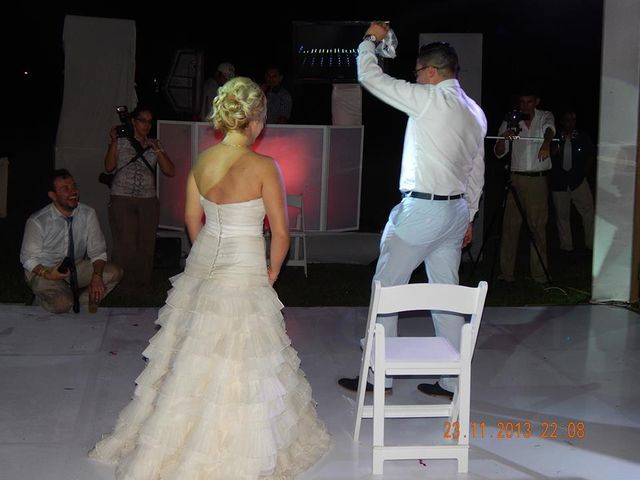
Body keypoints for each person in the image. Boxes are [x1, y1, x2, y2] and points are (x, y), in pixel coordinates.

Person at [90, 77, 330, 479]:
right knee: (240, 355)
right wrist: (269, 273)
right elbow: (281, 233)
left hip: (205, 260)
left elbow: (190, 219)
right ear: (255, 119)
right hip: (243, 265)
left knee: (193, 353)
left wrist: (207, 259)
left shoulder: (202, 161)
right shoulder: (264, 166)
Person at [338, 23, 487, 399]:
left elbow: (369, 77)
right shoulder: (475, 112)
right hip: (454, 212)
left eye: (418, 72)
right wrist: (468, 216)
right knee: (446, 296)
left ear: (432, 73)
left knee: (386, 288)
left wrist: (370, 40)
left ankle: (378, 376)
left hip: (422, 211)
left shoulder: (429, 99)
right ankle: (452, 380)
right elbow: (477, 171)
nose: (416, 78)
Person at [20, 169, 122, 313]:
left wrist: (97, 276)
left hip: (74, 266)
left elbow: (98, 252)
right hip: (43, 269)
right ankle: (43, 300)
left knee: (113, 272)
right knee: (61, 304)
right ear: (53, 195)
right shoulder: (38, 221)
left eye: (74, 186)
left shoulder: (88, 213)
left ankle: (82, 304)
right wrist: (49, 274)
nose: (73, 191)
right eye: (65, 189)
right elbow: (28, 258)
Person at [105, 105, 175, 292]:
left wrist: (157, 149)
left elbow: (170, 171)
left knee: (146, 242)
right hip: (122, 196)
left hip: (148, 199)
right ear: (133, 122)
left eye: (149, 121)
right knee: (125, 242)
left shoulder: (154, 144)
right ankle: (120, 284)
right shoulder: (121, 142)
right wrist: (113, 141)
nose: (146, 125)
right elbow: (109, 166)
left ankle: (142, 284)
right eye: (142, 120)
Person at [494, 92, 555, 284]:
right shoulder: (511, 119)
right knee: (510, 228)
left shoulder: (545, 115)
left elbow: (550, 129)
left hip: (537, 180)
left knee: (537, 228)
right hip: (515, 178)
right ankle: (507, 274)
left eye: (529, 101)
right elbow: (497, 152)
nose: (525, 105)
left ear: (536, 101)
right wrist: (504, 138)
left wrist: (546, 144)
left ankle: (539, 274)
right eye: (522, 101)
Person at [550, 109, 595, 252]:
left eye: (573, 120)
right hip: (559, 183)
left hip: (578, 181)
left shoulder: (582, 136)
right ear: (562, 122)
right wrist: (553, 152)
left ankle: (591, 244)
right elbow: (545, 156)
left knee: (588, 211)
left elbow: (590, 154)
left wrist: (584, 172)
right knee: (562, 215)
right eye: (568, 120)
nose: (571, 123)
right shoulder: (554, 137)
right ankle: (566, 247)